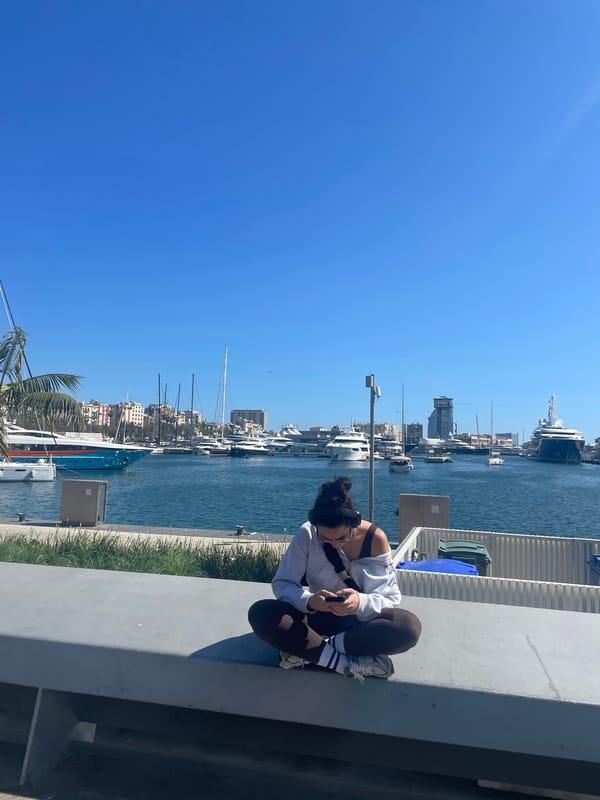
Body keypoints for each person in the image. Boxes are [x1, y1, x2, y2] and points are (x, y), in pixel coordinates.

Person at [248, 476, 421, 681]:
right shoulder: (307, 534)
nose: (335, 544)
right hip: (317, 617)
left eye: (341, 538)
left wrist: (359, 602)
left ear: (353, 524)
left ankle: (312, 652)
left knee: (407, 627)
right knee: (261, 612)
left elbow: (389, 597)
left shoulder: (375, 539)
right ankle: (344, 664)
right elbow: (283, 583)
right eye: (326, 539)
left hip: (358, 624)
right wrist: (310, 601)